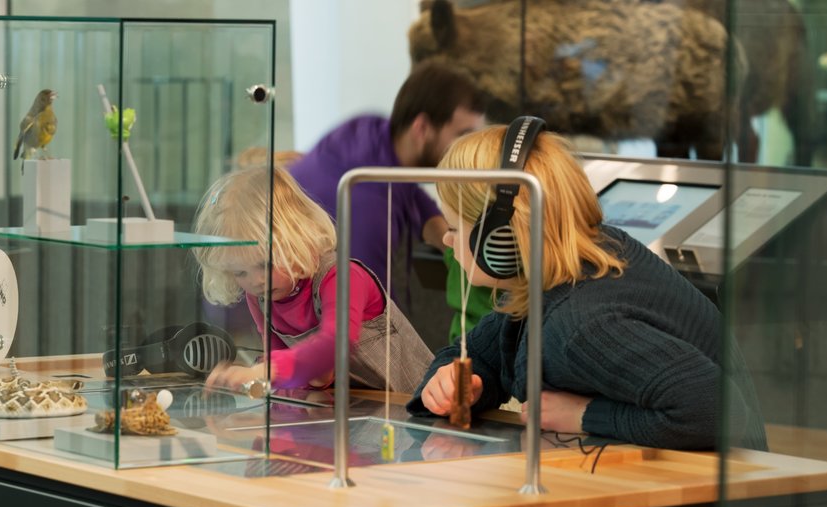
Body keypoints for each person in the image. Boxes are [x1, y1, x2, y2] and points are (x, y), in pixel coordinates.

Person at [406, 121, 768, 451]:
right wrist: (455, 384)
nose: (449, 241)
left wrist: (583, 415)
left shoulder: (580, 325)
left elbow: (719, 412)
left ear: (502, 237)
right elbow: (483, 353)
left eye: (455, 228)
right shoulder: (570, 269)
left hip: (708, 503)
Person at [192, 166, 432, 394]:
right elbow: (282, 363)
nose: (256, 281)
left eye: (266, 264)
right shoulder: (260, 297)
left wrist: (267, 371)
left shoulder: (341, 276)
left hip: (413, 408)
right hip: (353, 411)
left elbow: (334, 344)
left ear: (297, 236)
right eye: (239, 273)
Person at [289, 61, 490, 323]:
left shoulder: (372, 132)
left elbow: (412, 194)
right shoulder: (369, 205)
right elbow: (374, 316)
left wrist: (451, 240)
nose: (470, 149)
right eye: (463, 136)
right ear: (422, 128)